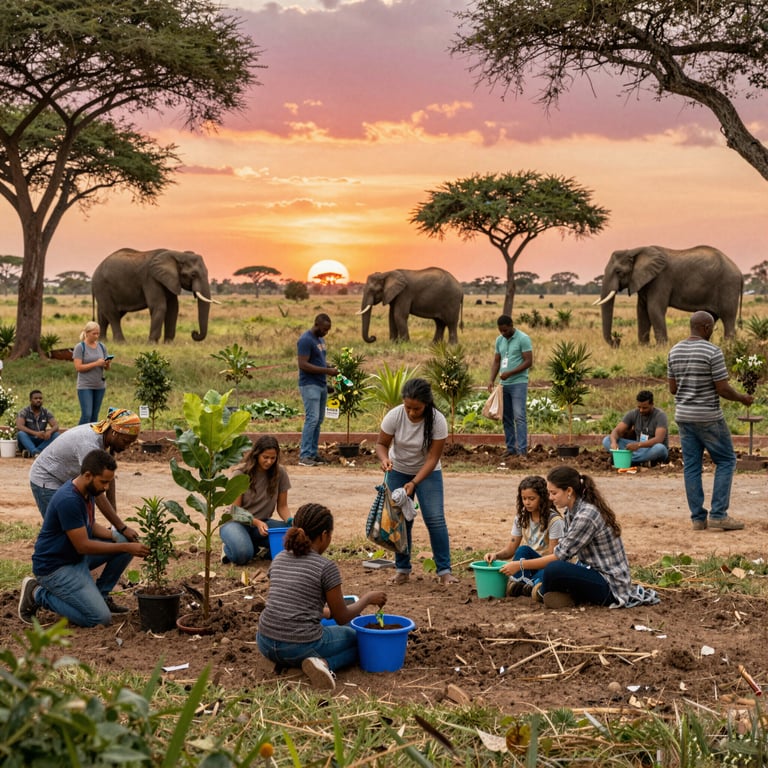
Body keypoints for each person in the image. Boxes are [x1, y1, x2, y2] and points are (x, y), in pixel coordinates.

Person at [257, 503, 387, 691]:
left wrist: (323, 613)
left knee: (290, 641)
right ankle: (323, 664)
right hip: (299, 645)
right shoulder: (325, 567)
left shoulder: (280, 557)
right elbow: (342, 618)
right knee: (357, 641)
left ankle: (278, 664)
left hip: (265, 641)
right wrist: (367, 599)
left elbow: (292, 599)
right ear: (324, 535)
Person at [18, 449, 150, 626]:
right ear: (88, 475)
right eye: (103, 482)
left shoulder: (87, 492)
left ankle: (99, 595)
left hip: (75, 558)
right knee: (99, 619)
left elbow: (89, 525)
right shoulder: (69, 500)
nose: (106, 488)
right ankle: (37, 593)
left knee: (124, 540)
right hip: (56, 568)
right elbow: (83, 546)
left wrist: (117, 535)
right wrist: (125, 547)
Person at [508, 466, 659, 609]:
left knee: (554, 569)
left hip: (610, 586)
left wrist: (520, 565)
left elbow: (559, 557)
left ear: (569, 491)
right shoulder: (571, 511)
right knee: (526, 552)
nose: (550, 498)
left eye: (553, 493)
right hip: (589, 570)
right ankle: (554, 591)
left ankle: (538, 591)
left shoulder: (586, 516)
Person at [667, 310, 753, 531]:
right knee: (726, 461)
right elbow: (722, 388)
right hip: (708, 417)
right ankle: (718, 514)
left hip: (683, 417)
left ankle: (697, 518)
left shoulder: (674, 350)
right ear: (705, 327)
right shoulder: (712, 351)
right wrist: (742, 398)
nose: (713, 332)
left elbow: (673, 389)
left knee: (692, 466)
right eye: (712, 328)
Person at [375, 377, 458, 586]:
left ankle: (444, 571)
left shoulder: (437, 421)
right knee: (401, 521)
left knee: (435, 518)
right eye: (408, 407)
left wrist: (414, 482)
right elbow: (381, 444)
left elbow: (433, 458)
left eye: (417, 409)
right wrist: (385, 459)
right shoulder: (394, 416)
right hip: (398, 470)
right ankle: (402, 569)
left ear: (426, 404)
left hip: (428, 472)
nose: (411, 413)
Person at [29, 408, 141, 543]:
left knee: (84, 526)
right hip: (47, 478)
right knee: (65, 533)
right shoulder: (89, 444)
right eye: (125, 441)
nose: (127, 446)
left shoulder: (104, 433)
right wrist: (121, 527)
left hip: (68, 478)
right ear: (114, 433)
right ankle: (53, 560)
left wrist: (114, 524)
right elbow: (97, 491)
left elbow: (108, 480)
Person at [484, 475, 564, 598]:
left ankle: (527, 585)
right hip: (528, 565)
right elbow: (511, 549)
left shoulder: (555, 521)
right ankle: (528, 586)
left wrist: (521, 566)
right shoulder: (522, 517)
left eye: (532, 498)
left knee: (549, 572)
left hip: (545, 565)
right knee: (523, 550)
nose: (527, 502)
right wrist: (496, 555)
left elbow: (553, 558)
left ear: (543, 498)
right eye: (524, 498)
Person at [220, 436, 292, 564]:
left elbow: (282, 507)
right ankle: (229, 548)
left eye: (273, 458)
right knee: (243, 555)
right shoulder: (241, 474)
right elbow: (236, 511)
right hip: (236, 523)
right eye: (265, 457)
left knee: (294, 538)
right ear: (256, 455)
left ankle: (255, 546)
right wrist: (257, 522)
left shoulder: (280, 473)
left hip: (263, 524)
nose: (269, 462)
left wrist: (290, 521)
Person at [488, 315, 533, 457]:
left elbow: (528, 361)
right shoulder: (499, 340)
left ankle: (522, 450)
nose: (503, 333)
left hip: (518, 383)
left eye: (505, 330)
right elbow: (497, 361)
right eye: (501, 331)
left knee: (519, 416)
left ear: (512, 325)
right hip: (504, 384)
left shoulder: (523, 338)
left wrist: (510, 373)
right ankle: (511, 449)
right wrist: (491, 379)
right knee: (506, 417)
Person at [296, 313, 338, 467]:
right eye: (324, 329)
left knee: (318, 421)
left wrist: (328, 366)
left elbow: (318, 360)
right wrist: (327, 371)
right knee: (312, 419)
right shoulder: (305, 340)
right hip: (309, 384)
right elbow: (303, 364)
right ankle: (305, 455)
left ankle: (313, 454)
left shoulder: (320, 340)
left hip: (320, 384)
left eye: (328, 330)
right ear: (317, 325)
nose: (326, 332)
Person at [601, 390, 669, 466]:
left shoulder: (660, 416)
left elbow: (659, 439)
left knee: (660, 448)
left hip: (651, 448)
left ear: (652, 404)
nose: (641, 410)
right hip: (636, 449)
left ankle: (625, 459)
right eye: (639, 407)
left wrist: (638, 445)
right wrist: (614, 442)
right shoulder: (633, 414)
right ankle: (640, 461)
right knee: (606, 440)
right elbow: (617, 431)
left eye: (644, 408)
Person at [73, 321, 112, 424]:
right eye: (94, 333)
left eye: (98, 333)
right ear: (87, 332)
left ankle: (92, 438)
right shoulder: (80, 347)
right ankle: (78, 436)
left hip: (99, 385)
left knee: (95, 416)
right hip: (85, 385)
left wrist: (107, 363)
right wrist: (96, 363)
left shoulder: (102, 347)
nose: (96, 336)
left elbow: (107, 368)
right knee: (87, 415)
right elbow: (78, 367)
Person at [16, 389, 60, 457]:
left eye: (40, 398)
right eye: (35, 398)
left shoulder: (46, 412)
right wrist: (35, 433)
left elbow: (56, 426)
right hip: (29, 440)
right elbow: (19, 426)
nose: (38, 400)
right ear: (30, 400)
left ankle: (35, 452)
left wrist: (50, 432)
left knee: (56, 434)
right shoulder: (24, 411)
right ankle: (37, 452)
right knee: (21, 434)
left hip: (42, 440)